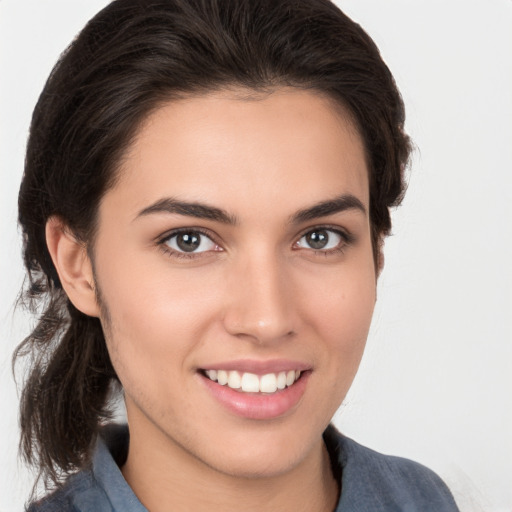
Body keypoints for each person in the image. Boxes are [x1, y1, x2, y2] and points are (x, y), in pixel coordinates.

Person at [14, 0, 461, 510]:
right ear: (79, 267)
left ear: (376, 252)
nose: (267, 319)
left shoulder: (423, 500)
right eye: (189, 240)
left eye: (319, 237)